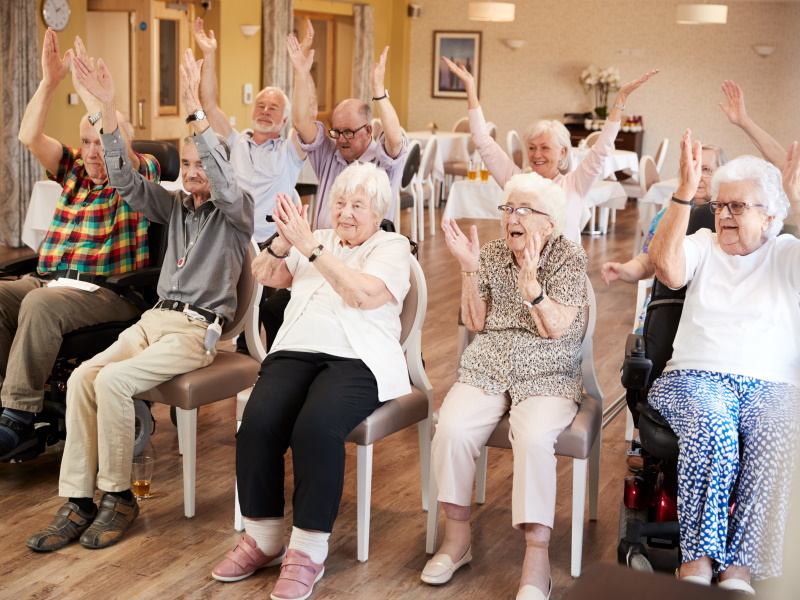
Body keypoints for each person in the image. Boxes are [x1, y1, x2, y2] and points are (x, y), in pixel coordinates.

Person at [25, 48, 253, 552]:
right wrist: (108, 110)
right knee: (83, 377)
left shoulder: (237, 212)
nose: (192, 172)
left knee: (113, 381)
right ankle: (79, 502)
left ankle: (118, 496)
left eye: (202, 164)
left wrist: (195, 111)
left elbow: (223, 181)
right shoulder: (174, 206)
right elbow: (125, 181)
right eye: (186, 164)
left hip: (195, 330)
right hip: (154, 320)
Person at [211, 163, 410, 600]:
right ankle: (264, 540)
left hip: (358, 358)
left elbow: (362, 294)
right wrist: (284, 243)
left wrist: (311, 248)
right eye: (339, 202)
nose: (345, 213)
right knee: (257, 423)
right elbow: (266, 274)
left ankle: (307, 550)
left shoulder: (392, 246)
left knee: (316, 429)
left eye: (358, 205)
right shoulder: (316, 236)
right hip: (295, 350)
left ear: (378, 212)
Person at [647, 131, 800, 592]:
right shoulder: (703, 243)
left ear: (769, 216)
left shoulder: (786, 253)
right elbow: (667, 269)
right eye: (719, 206)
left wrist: (799, 201)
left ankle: (739, 570)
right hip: (694, 377)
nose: (724, 215)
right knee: (714, 427)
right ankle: (696, 564)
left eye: (737, 206)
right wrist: (683, 192)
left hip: (772, 385)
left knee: (779, 431)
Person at [423, 172, 588, 600]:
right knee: (452, 428)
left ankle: (537, 558)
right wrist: (468, 268)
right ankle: (457, 540)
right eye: (508, 208)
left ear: (549, 222)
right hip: (490, 362)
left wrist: (532, 288)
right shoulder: (493, 253)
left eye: (524, 210)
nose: (512, 217)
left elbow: (556, 328)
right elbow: (475, 322)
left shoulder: (568, 257)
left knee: (533, 438)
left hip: (548, 368)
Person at [0, 30, 159, 461]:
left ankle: (17, 417)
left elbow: (119, 152)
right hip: (51, 282)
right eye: (85, 142)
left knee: (39, 305)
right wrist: (49, 82)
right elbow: (29, 136)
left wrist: (100, 99)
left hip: (108, 292)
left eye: (100, 143)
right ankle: (5, 402)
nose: (91, 152)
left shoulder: (139, 174)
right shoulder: (72, 169)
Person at [441, 57, 658, 243]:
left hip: (564, 272)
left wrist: (620, 100)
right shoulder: (516, 181)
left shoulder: (575, 183)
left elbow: (602, 148)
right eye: (532, 147)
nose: (537, 154)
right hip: (522, 267)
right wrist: (470, 88)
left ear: (562, 152)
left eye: (545, 148)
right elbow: (483, 141)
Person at [193, 17, 307, 244]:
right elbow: (210, 106)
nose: (265, 111)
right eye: (261, 106)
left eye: (273, 108)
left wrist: (300, 71)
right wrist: (209, 54)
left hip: (270, 243)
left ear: (285, 119)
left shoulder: (290, 151)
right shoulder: (235, 142)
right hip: (230, 237)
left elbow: (304, 119)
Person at [286, 35, 407, 228]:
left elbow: (395, 139)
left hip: (367, 246)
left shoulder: (383, 163)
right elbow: (301, 122)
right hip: (322, 244)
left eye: (349, 132)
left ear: (368, 130)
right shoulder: (328, 154)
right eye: (337, 131)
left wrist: (378, 90)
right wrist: (301, 73)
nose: (341, 140)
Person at [601, 145, 728, 293]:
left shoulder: (728, 217)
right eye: (692, 168)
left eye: (706, 169)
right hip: (669, 299)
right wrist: (622, 270)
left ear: (722, 175)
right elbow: (644, 263)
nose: (697, 176)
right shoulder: (668, 214)